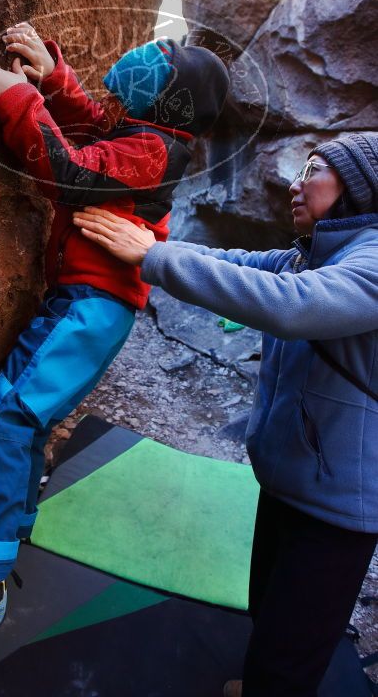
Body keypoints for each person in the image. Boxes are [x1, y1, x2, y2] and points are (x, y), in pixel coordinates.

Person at [0, 24, 229, 639]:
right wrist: (52, 76)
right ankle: (6, 534)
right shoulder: (147, 138)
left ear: (172, 98)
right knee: (30, 418)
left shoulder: (151, 152)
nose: (150, 54)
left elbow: (66, 167)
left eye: (164, 59)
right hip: (88, 304)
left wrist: (16, 96)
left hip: (90, 306)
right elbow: (96, 128)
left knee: (11, 415)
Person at [72, 133, 378, 697]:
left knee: (294, 644)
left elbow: (293, 305)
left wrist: (154, 257)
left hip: (343, 504)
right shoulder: (313, 253)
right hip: (294, 476)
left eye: (312, 169)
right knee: (268, 604)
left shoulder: (372, 262)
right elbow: (236, 264)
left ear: (357, 184)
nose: (294, 184)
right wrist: (152, 244)